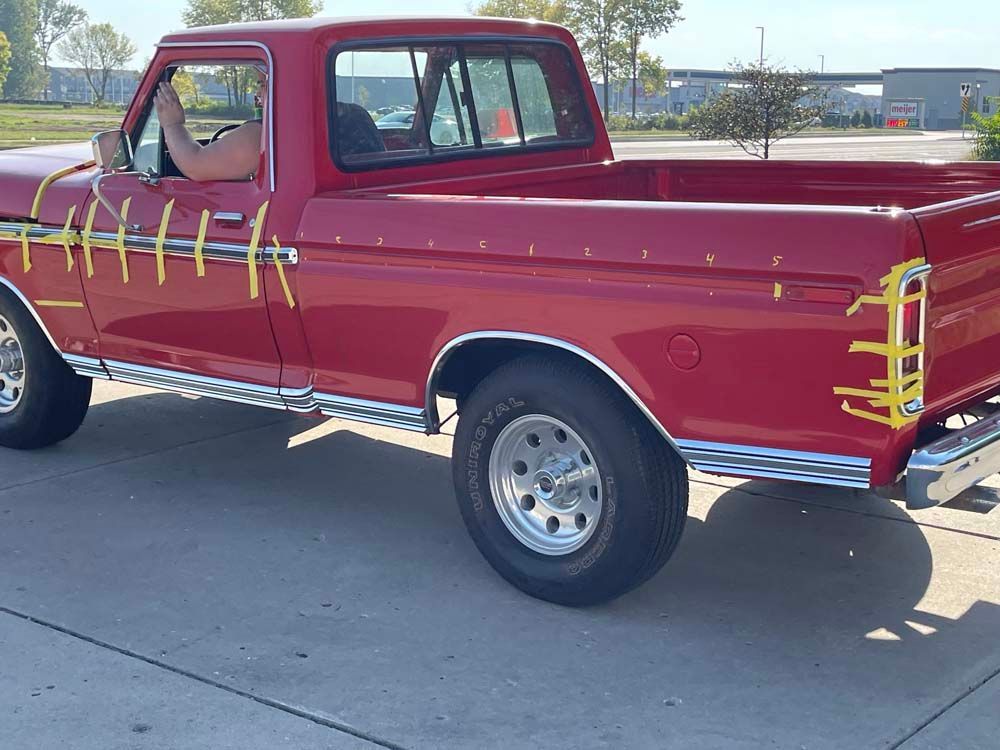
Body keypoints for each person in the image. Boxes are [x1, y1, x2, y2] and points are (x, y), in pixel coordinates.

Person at [152, 67, 266, 182]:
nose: (258, 93)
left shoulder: (259, 136)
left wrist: (172, 124)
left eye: (263, 84)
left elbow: (195, 167)